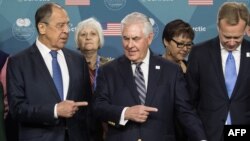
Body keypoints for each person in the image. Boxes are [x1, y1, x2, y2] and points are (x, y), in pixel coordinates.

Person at [93, 12, 207, 141]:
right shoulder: (108, 71)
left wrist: (201, 139)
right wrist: (125, 112)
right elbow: (98, 107)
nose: (129, 45)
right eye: (125, 38)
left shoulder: (171, 71)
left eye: (135, 38)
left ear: (149, 38)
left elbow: (185, 112)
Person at [7, 2, 91, 141]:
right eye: (60, 25)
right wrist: (55, 110)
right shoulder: (19, 62)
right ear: (42, 27)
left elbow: (88, 106)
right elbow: (17, 109)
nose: (66, 30)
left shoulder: (78, 60)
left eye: (67, 24)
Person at [186, 2, 250, 141]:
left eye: (237, 37)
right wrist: (199, 136)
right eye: (227, 37)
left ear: (246, 29)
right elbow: (189, 102)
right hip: (208, 135)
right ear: (218, 27)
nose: (232, 42)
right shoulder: (199, 53)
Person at [75, 17, 112, 141]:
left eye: (93, 34)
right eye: (83, 34)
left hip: (105, 124)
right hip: (77, 123)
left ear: (99, 39)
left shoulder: (111, 66)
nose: (88, 37)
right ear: (77, 41)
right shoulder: (69, 64)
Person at [162, 19, 194, 141]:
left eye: (188, 44)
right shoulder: (153, 67)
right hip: (164, 131)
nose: (185, 49)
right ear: (166, 41)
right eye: (180, 44)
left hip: (188, 131)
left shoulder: (192, 68)